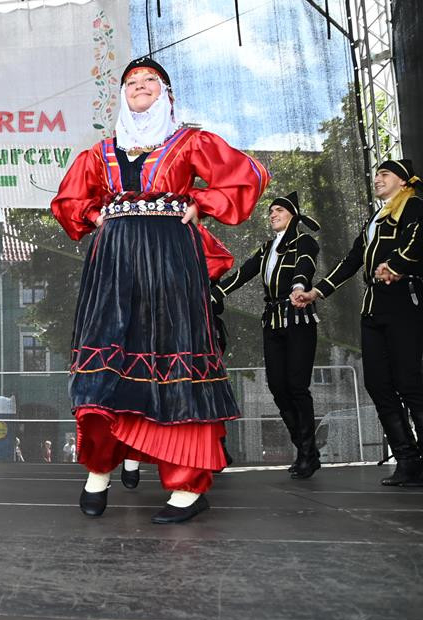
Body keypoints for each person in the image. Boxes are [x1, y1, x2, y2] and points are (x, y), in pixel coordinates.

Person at [52, 57, 268, 523]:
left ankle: (187, 487)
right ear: (122, 96)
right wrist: (95, 216)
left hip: (170, 256)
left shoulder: (190, 141)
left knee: (173, 354)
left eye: (151, 81)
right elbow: (68, 201)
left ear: (167, 93)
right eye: (132, 82)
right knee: (108, 352)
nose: (140, 86)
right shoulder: (100, 153)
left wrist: (202, 203)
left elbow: (248, 175)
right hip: (112, 262)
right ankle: (99, 470)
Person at [292, 160, 423, 487]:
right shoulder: (376, 219)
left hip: (405, 304)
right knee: (378, 384)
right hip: (374, 308)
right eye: (376, 174)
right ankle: (408, 459)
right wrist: (316, 292)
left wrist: (397, 264)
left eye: (385, 174)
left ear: (404, 182)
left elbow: (419, 239)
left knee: (409, 383)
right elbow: (351, 261)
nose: (377, 179)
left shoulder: (414, 206)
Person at [214, 192, 322, 478]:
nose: (272, 215)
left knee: (297, 386)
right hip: (273, 320)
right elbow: (244, 272)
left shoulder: (304, 242)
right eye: (271, 211)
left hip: (298, 318)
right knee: (277, 386)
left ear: (292, 214)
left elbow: (305, 266)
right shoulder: (266, 248)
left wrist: (300, 286)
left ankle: (308, 454)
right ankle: (304, 449)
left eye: (278, 210)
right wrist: (217, 291)